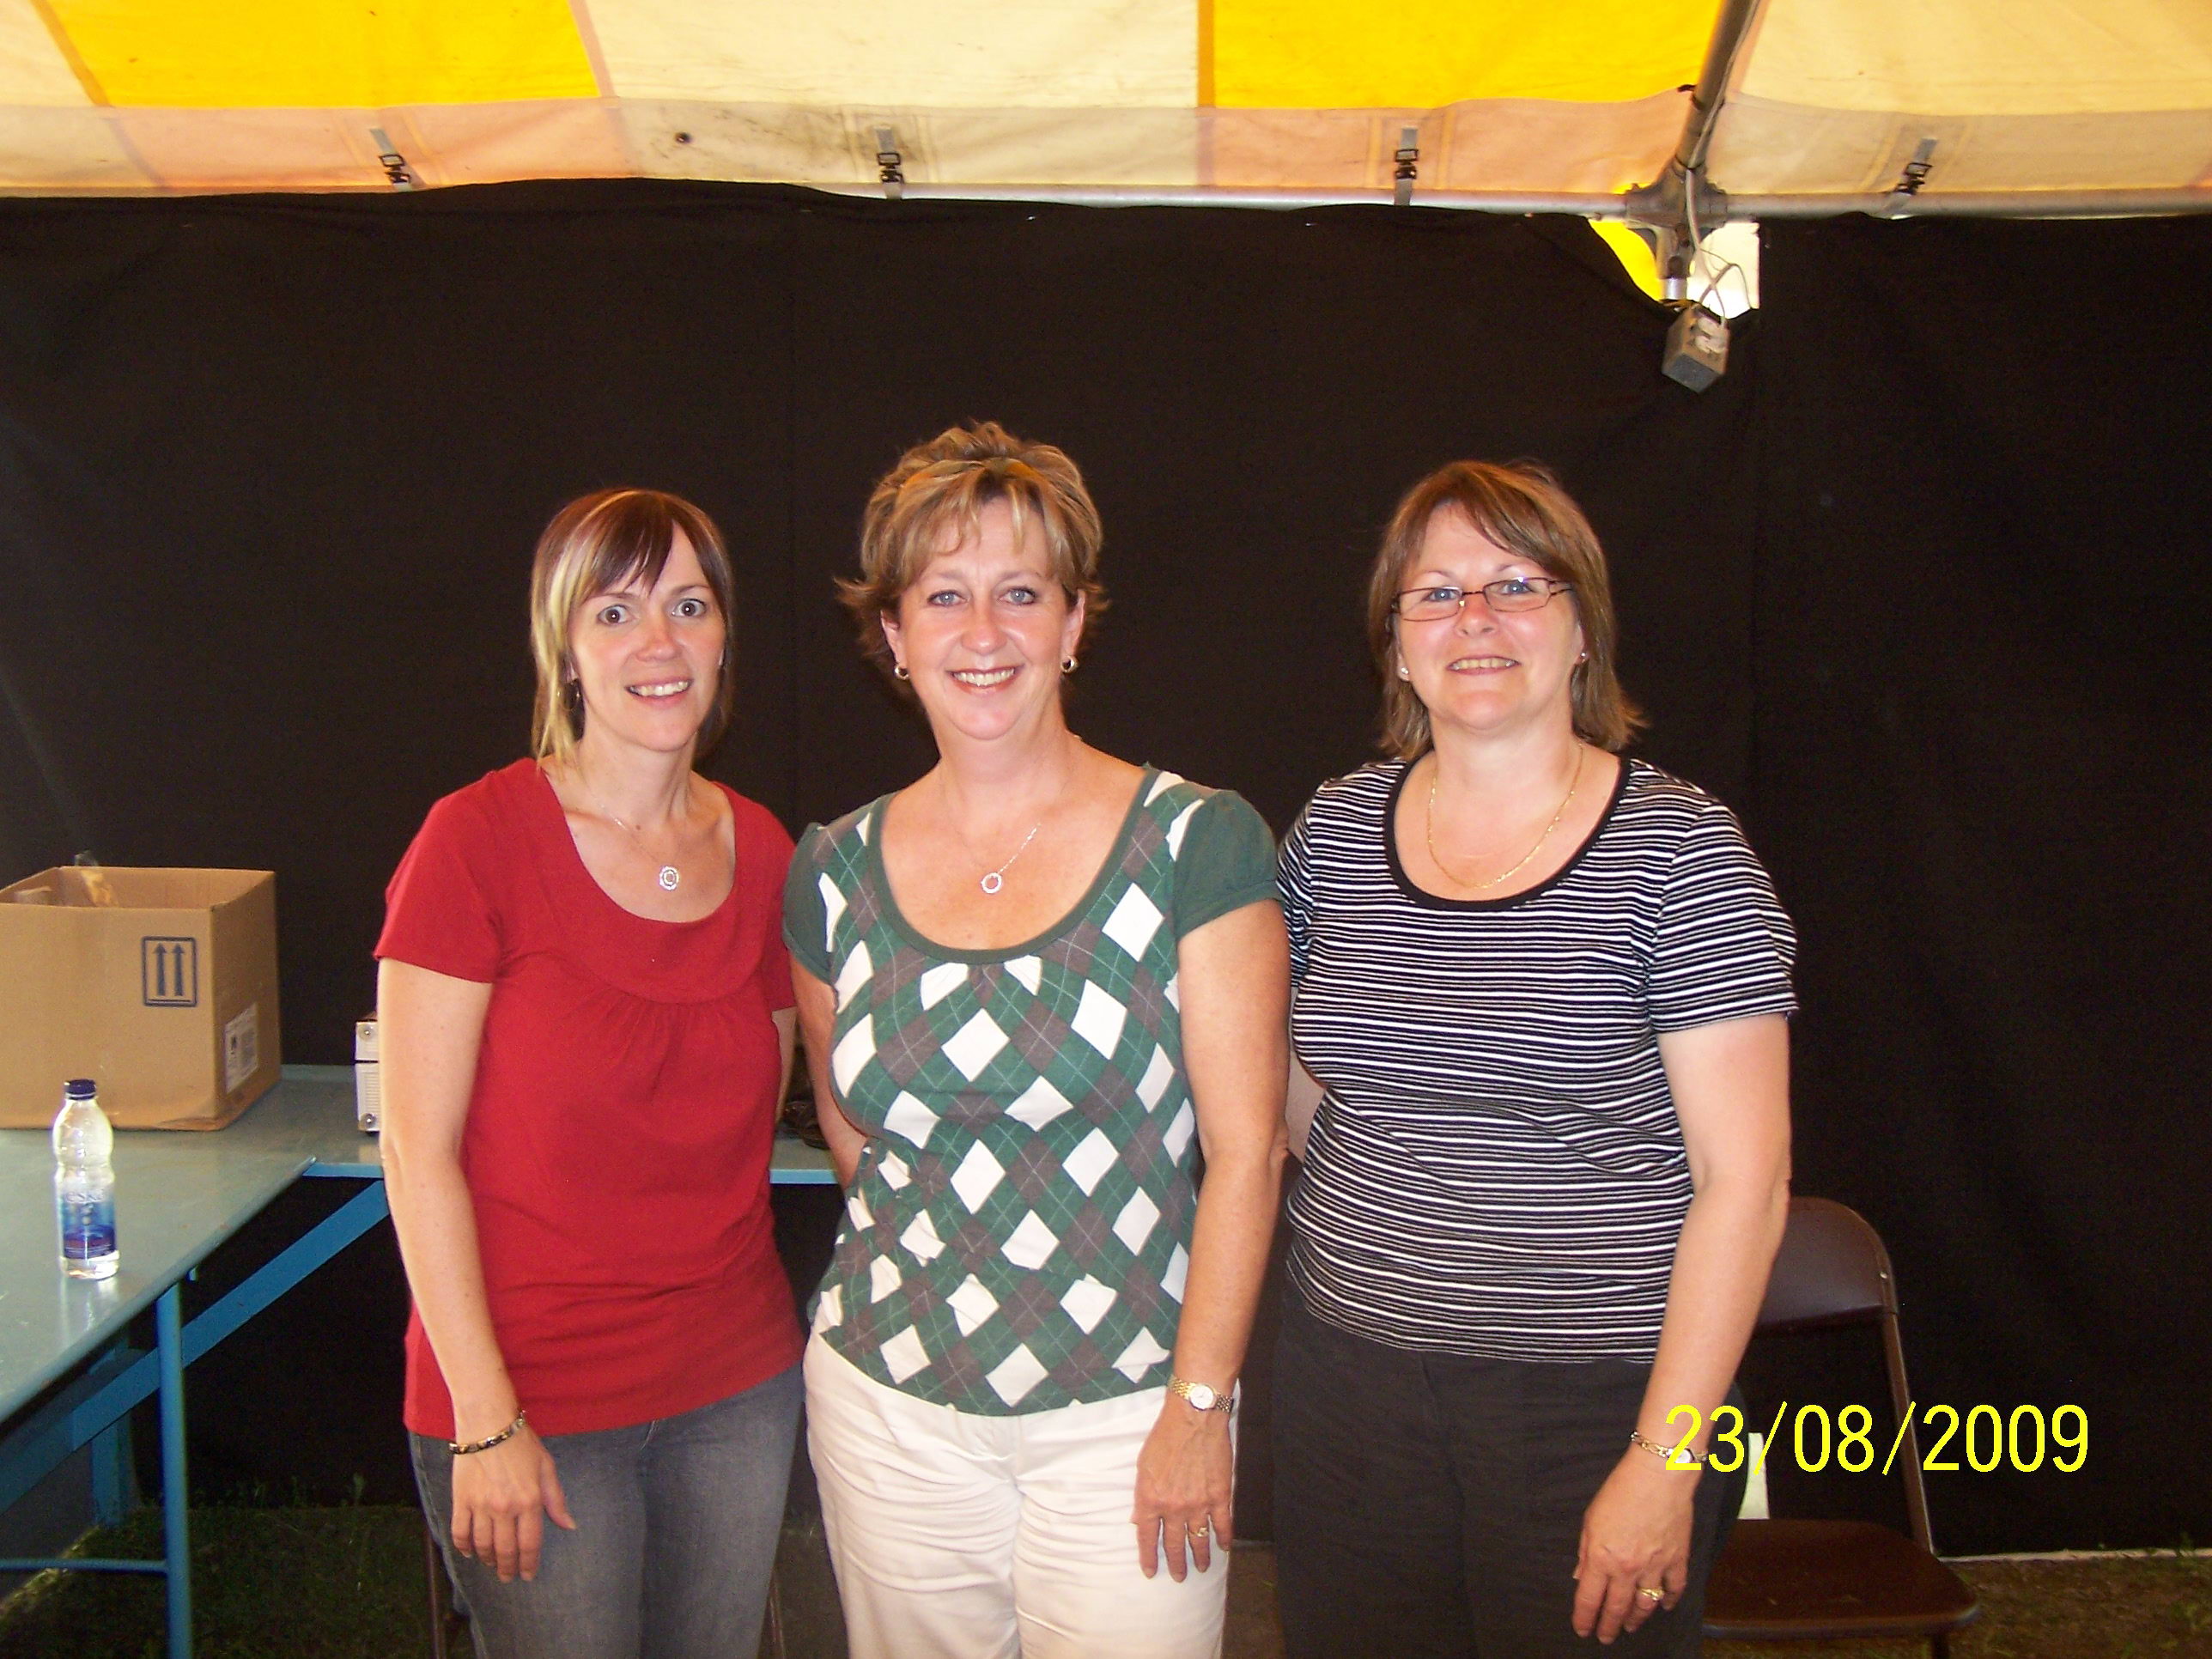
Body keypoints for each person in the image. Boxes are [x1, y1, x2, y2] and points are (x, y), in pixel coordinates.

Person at [1270, 459, 1795, 1656]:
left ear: (1581, 630)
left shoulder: (1682, 855)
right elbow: (1299, 1094)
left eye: (1517, 584)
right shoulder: (1333, 836)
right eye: (1436, 593)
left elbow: (1748, 1185)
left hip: (1597, 1409)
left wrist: (1665, 1461)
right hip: (1350, 1393)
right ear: (1397, 647)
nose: (1476, 619)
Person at [784, 422, 1290, 1659]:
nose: (983, 631)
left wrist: (1200, 1405)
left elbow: (1249, 1154)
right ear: (894, 635)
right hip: (888, 1410)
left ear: (1073, 624)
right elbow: (852, 1135)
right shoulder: (833, 869)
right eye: (943, 596)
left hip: (1132, 1414)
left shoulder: (1196, 844)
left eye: (1020, 593)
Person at [376, 489, 802, 1659]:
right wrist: (484, 1419)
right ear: (563, 649)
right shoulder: (475, 842)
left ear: (724, 638)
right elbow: (415, 1152)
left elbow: (759, 1115)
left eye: (689, 607)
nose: (659, 642)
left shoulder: (767, 852)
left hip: (735, 1385)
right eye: (615, 613)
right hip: (529, 1397)